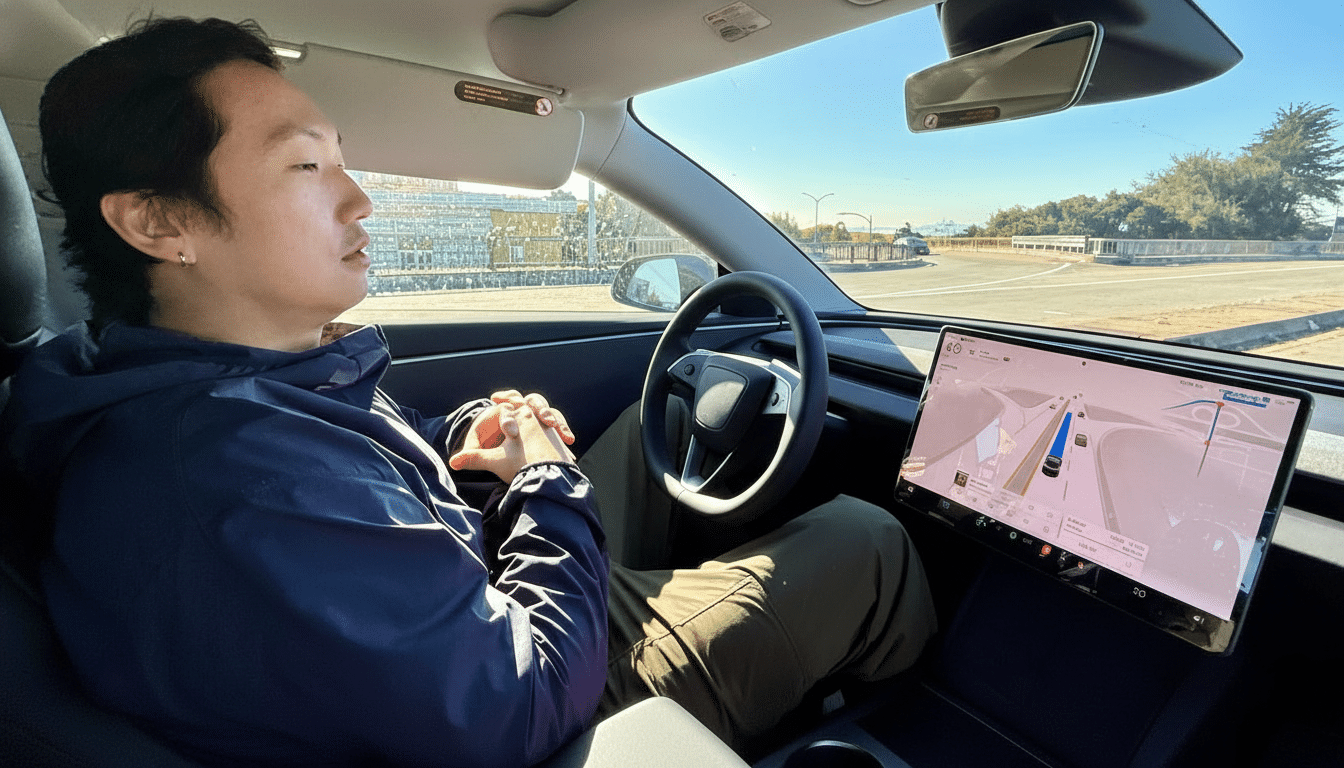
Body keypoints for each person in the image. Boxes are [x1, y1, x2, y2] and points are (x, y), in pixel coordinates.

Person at [0, 16, 936, 768]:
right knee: (866, 538)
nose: (359, 197)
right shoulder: (235, 477)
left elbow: (357, 461)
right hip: (534, 704)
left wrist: (468, 433)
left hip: (444, 630)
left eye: (340, 154)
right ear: (161, 222)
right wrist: (542, 485)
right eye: (304, 165)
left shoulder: (172, 379)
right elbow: (513, 711)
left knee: (629, 452)